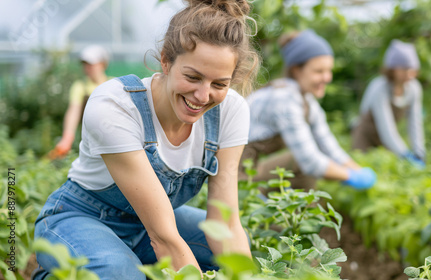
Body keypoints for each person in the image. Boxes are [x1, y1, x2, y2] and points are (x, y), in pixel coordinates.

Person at [32, 0, 260, 279]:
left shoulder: (231, 111)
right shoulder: (115, 105)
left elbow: (224, 221)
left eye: (219, 84)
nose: (203, 96)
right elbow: (163, 236)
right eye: (192, 76)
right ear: (165, 60)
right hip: (82, 217)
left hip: (144, 226)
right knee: (119, 272)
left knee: (230, 253)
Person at [239, 29, 376, 192]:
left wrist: (356, 169)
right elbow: (310, 162)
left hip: (254, 169)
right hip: (236, 174)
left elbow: (327, 144)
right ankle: (300, 213)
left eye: (328, 71)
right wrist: (350, 176)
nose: (328, 78)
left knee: (303, 160)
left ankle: (297, 212)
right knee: (300, 162)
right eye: (319, 71)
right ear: (296, 70)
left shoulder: (306, 100)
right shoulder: (283, 99)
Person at [351, 39, 425, 167]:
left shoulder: (414, 88)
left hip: (387, 140)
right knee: (362, 167)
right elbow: (386, 127)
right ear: (392, 69)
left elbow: (415, 122)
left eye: (412, 70)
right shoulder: (379, 88)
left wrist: (419, 152)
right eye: (404, 69)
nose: (408, 74)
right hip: (366, 136)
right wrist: (404, 154)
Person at [48, 44, 110, 159]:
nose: (87, 68)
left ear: (103, 64)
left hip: (112, 137)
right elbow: (73, 110)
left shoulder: (113, 84)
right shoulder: (80, 87)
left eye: (91, 64)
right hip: (90, 139)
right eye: (85, 65)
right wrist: (67, 138)